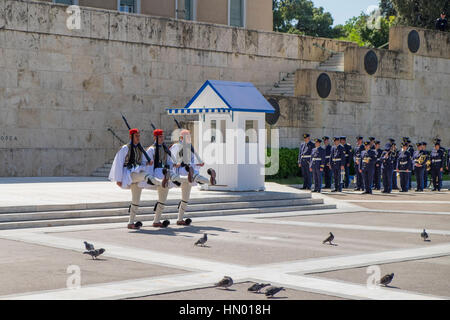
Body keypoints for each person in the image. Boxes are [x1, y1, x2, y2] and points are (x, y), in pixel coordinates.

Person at [169, 129, 217, 225]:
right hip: (181, 172)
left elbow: (193, 161)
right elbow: (171, 158)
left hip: (189, 171)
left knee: (185, 198)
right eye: (187, 137)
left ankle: (180, 219)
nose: (189, 138)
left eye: (189, 137)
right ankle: (210, 181)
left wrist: (199, 163)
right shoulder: (176, 146)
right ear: (181, 138)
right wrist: (176, 164)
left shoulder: (190, 148)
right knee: (195, 175)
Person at [108, 128, 153, 230]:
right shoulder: (125, 148)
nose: (138, 138)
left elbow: (141, 162)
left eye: (139, 136)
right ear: (131, 137)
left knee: (136, 200)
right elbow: (119, 164)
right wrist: (118, 179)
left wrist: (147, 163)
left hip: (136, 174)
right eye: (136, 136)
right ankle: (153, 180)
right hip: (128, 175)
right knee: (145, 176)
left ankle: (131, 222)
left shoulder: (140, 149)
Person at [141, 129, 175, 228]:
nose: (162, 138)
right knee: (162, 198)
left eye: (162, 136)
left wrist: (174, 165)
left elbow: (169, 161)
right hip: (157, 175)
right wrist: (151, 179)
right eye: (160, 137)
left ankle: (157, 220)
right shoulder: (151, 149)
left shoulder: (165, 149)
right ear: (155, 137)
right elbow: (149, 166)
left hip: (165, 174)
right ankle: (156, 220)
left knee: (163, 198)